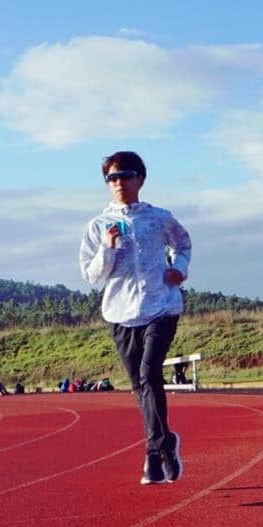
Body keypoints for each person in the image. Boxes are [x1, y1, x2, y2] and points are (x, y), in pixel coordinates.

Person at [79, 150, 192, 486]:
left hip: (161, 308)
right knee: (141, 386)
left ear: (140, 178)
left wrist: (178, 270)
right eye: (111, 178)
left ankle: (158, 447)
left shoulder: (159, 218)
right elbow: (91, 275)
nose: (118, 183)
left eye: (125, 176)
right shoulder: (98, 226)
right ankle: (158, 446)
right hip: (121, 314)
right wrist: (107, 247)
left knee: (149, 374)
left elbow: (183, 243)